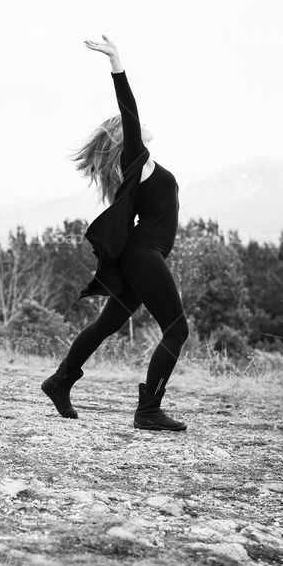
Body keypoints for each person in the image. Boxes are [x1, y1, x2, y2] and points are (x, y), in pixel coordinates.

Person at [41, 35, 188, 432]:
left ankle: (60, 381)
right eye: (131, 129)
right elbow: (129, 109)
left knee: (107, 324)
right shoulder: (136, 160)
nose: (139, 128)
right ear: (127, 137)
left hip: (140, 257)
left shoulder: (141, 167)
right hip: (144, 256)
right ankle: (149, 410)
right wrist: (117, 63)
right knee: (177, 329)